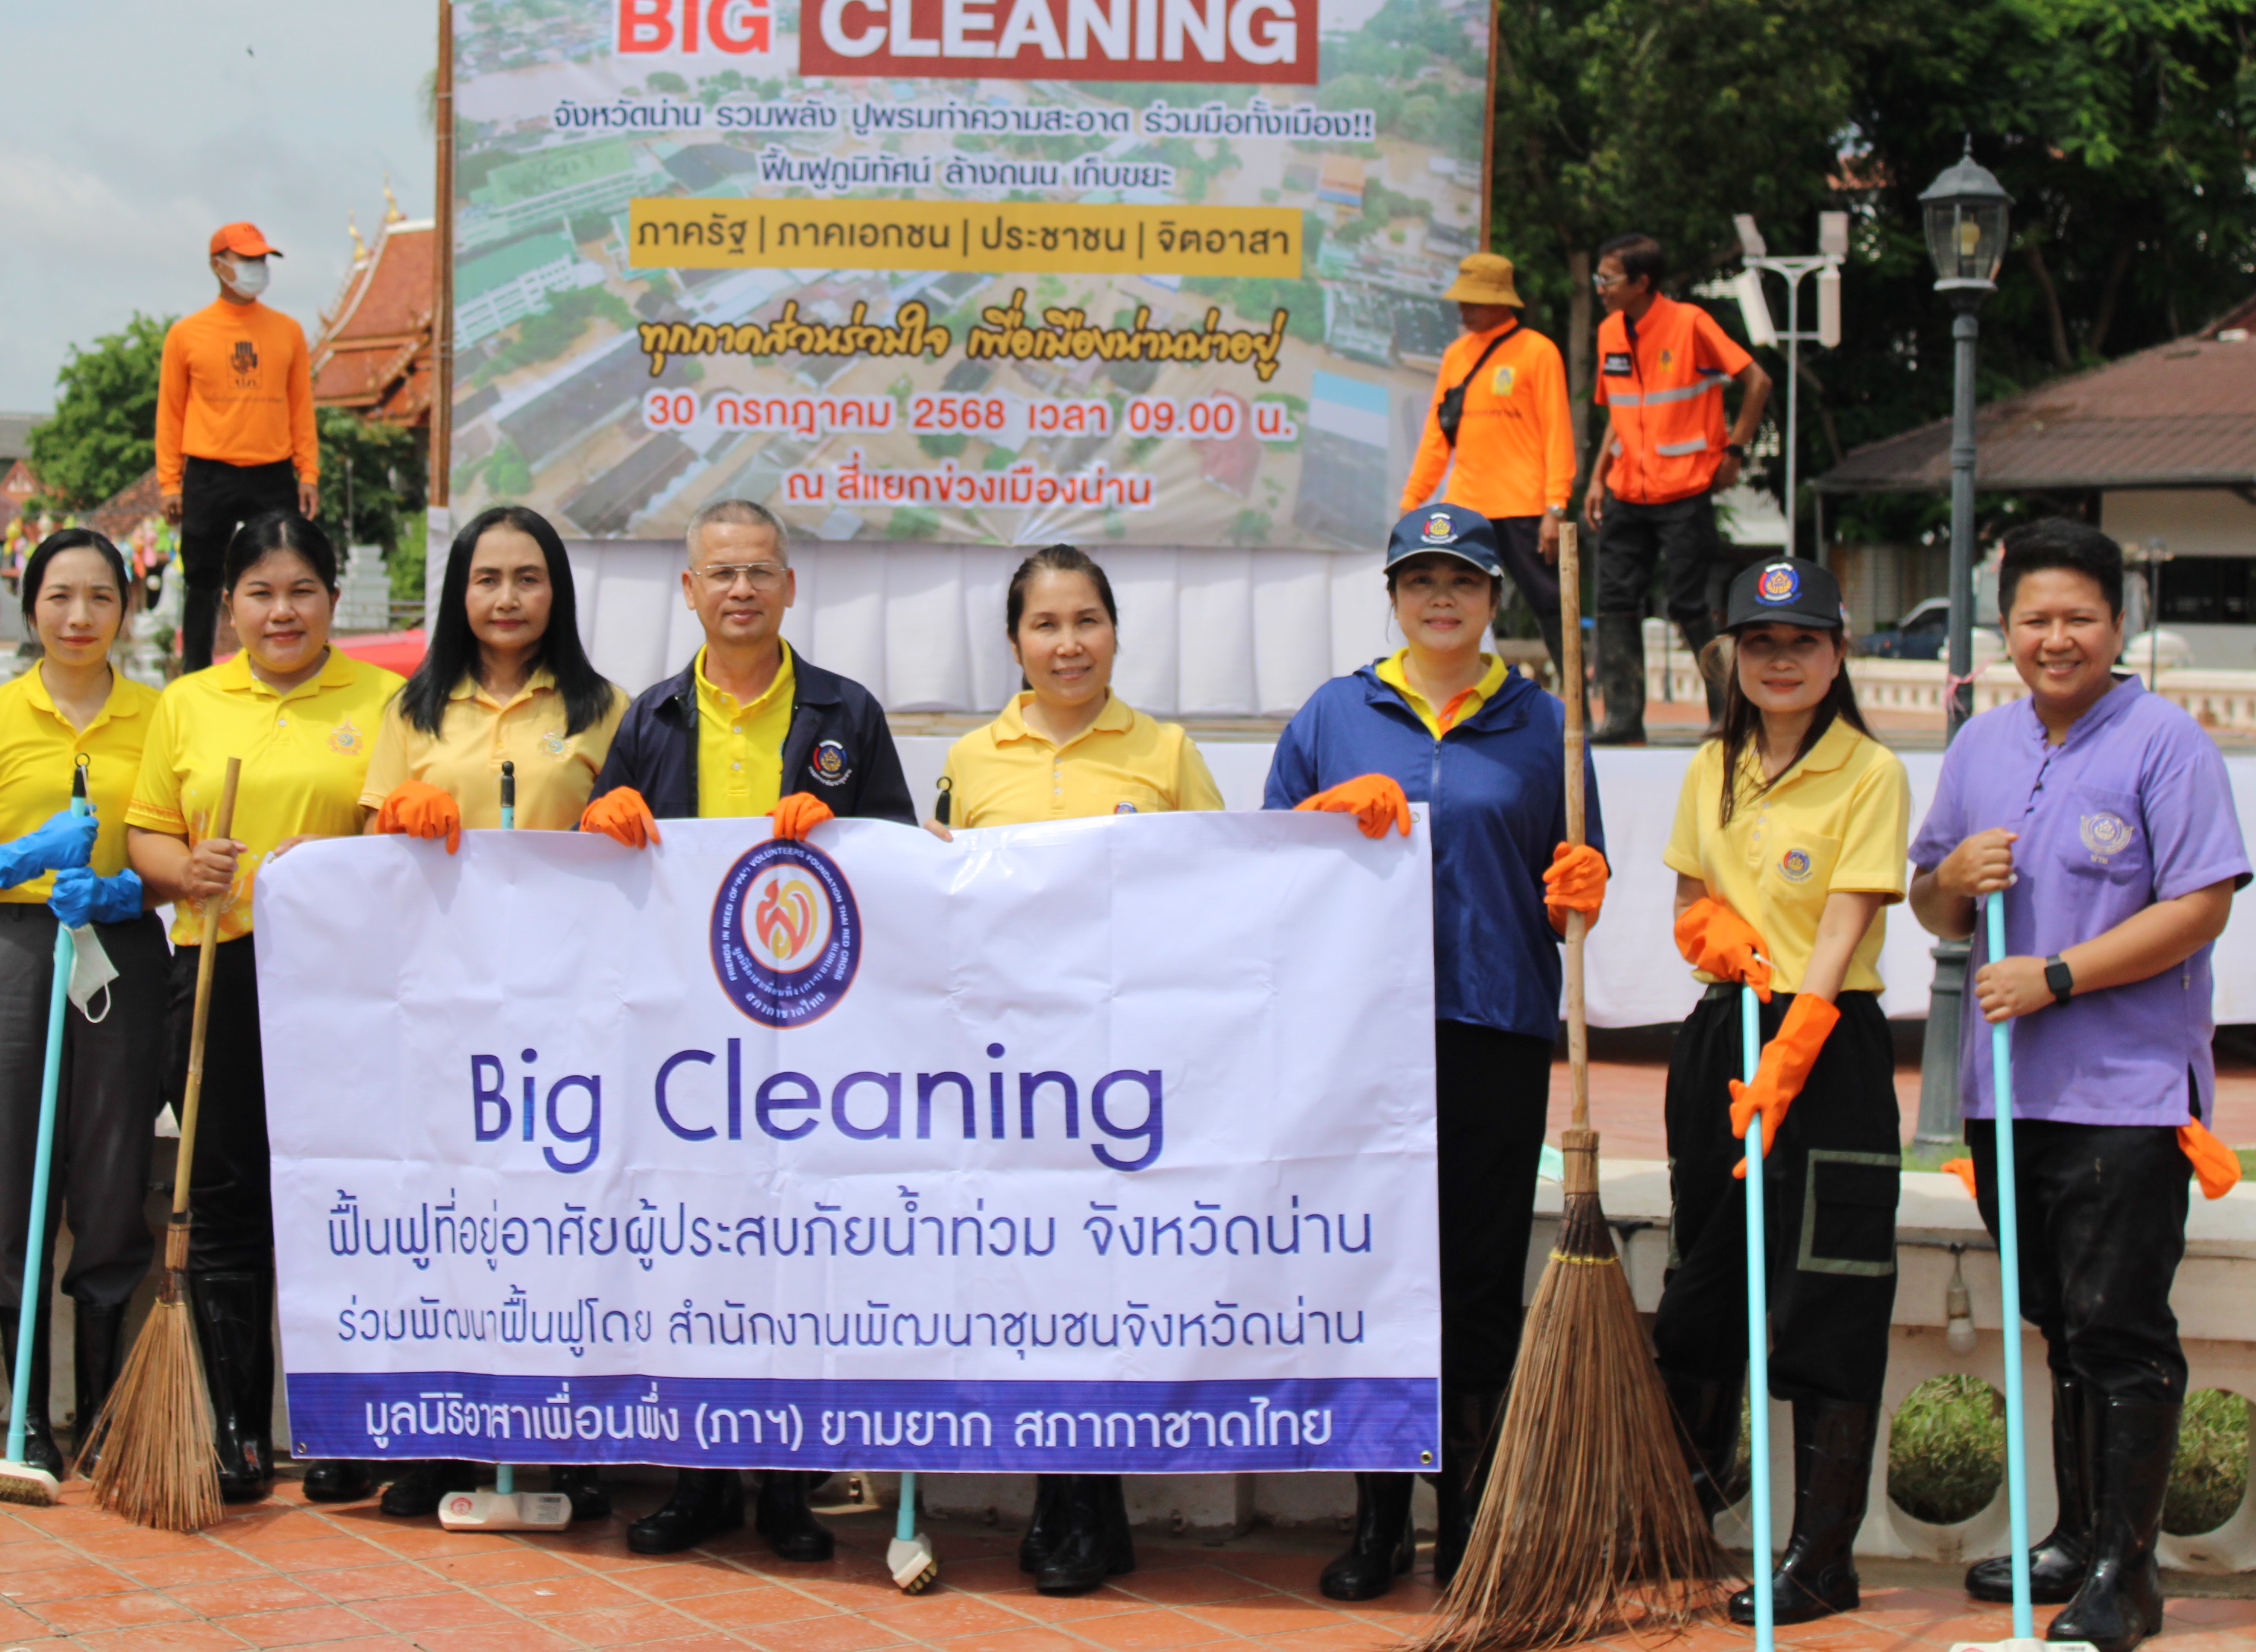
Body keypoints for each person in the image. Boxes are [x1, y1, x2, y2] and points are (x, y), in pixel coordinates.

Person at [1911, 518, 2250, 1652]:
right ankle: (2073, 1535)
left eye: (2079, 618)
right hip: (2006, 1093)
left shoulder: (2166, 744)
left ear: (2119, 625)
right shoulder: (1981, 747)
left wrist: (2056, 976)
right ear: (2003, 630)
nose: (2056, 639)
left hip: (2126, 1092)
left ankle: (2127, 1571)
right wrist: (1951, 878)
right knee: (2057, 1321)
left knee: (2120, 1330)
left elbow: (2200, 904)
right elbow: (1932, 903)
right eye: (2034, 620)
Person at [1264, 503, 1609, 1601]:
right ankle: (1376, 1523)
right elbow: (1267, 865)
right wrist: (1325, 811)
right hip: (1362, 1035)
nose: (1441, 599)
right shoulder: (1337, 712)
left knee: (1472, 1280)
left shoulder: (1543, 723)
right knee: (1370, 1272)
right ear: (1394, 596)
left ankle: (1467, 1522)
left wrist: (1584, 888)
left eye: (1461, 580)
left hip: (1493, 1032)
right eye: (1420, 582)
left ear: (1494, 597)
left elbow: (1572, 879)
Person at [582, 497, 916, 1561]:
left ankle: (784, 1485)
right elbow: (596, 863)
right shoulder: (650, 718)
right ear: (688, 590)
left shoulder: (845, 714)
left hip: (811, 1034)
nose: (739, 590)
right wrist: (601, 820)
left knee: (795, 1250)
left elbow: (903, 860)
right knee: (699, 1250)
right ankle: (699, 1477)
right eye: (719, 573)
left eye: (759, 572)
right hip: (689, 1045)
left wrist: (850, 834)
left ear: (789, 587)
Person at [936, 544, 1224, 1597]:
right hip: (1012, 1075)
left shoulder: (1168, 750)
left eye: (1087, 621)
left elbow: (1227, 890)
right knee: (1034, 1278)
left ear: (1115, 630)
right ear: (1014, 642)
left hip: (1129, 1070)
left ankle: (1089, 1499)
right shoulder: (973, 761)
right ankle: (1068, 1497)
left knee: (1115, 1278)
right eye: (1046, 625)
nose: (1069, 644)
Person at [354, 502, 628, 1522]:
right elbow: (363, 855)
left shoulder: (607, 708)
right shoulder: (412, 711)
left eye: (528, 578)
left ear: (556, 592)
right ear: (458, 593)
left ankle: (562, 1440)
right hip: (442, 1008)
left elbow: (651, 838)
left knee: (560, 1226)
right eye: (486, 578)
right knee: (450, 1221)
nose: (506, 598)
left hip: (568, 1012)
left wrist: (616, 816)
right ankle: (440, 1436)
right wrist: (394, 819)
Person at [1648, 555, 1910, 1625]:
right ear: (1735, 658)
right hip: (1723, 1034)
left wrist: (1793, 1050)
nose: (1782, 660)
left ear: (1838, 653)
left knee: (1828, 1288)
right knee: (1707, 1272)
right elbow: (1689, 896)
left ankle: (1819, 1555)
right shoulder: (1712, 766)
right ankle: (1688, 1519)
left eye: (1802, 641)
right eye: (1762, 644)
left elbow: (1844, 928)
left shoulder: (1869, 772)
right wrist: (1710, 933)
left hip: (1826, 1047)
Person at [127, 512, 403, 1506]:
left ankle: (345, 1430)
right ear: (230, 605)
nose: (281, 612)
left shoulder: (387, 701)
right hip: (219, 973)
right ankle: (238, 1428)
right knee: (229, 1205)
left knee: (344, 1200)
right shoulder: (190, 705)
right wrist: (184, 866)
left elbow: (398, 838)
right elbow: (147, 840)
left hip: (346, 989)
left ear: (334, 598)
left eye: (300, 592)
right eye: (260, 593)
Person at [0, 529, 172, 1479]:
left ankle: (104, 1411)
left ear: (127, 606)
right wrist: (20, 856)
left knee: (113, 1164)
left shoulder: (164, 715)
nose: (79, 617)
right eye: (60, 597)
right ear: (28, 605)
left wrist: (125, 891)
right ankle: (26, 1409)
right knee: (11, 1165)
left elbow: (169, 848)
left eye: (100, 598)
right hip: (19, 947)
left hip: (117, 941)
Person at [1579, 232, 1773, 745]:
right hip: (1626, 490)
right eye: (1598, 278)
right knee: (1615, 601)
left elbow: (1758, 380)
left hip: (1685, 488)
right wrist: (1598, 478)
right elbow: (1618, 417)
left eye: (1609, 278)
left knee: (1689, 603)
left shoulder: (1691, 324)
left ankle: (1727, 716)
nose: (1600, 287)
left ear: (1643, 282)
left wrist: (1735, 450)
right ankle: (1622, 719)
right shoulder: (1608, 334)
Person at [159, 222, 321, 675]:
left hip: (273, 469)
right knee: (202, 580)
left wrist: (308, 472)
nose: (258, 268)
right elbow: (170, 413)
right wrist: (169, 481)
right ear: (219, 265)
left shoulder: (287, 331)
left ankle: (288, 663)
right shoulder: (186, 334)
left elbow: (301, 407)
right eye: (247, 260)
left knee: (285, 568)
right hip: (208, 471)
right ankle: (194, 672)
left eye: (262, 260)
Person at [1399, 252, 1575, 639]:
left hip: (1524, 506)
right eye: (1462, 298)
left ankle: (1576, 697)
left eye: (1474, 299)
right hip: (1466, 509)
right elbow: (1436, 434)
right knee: (1457, 605)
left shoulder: (1538, 350)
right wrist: (1413, 501)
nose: (1463, 307)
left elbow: (1558, 431)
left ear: (1501, 300)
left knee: (1551, 605)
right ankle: (1469, 696)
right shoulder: (1455, 355)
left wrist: (1555, 505)